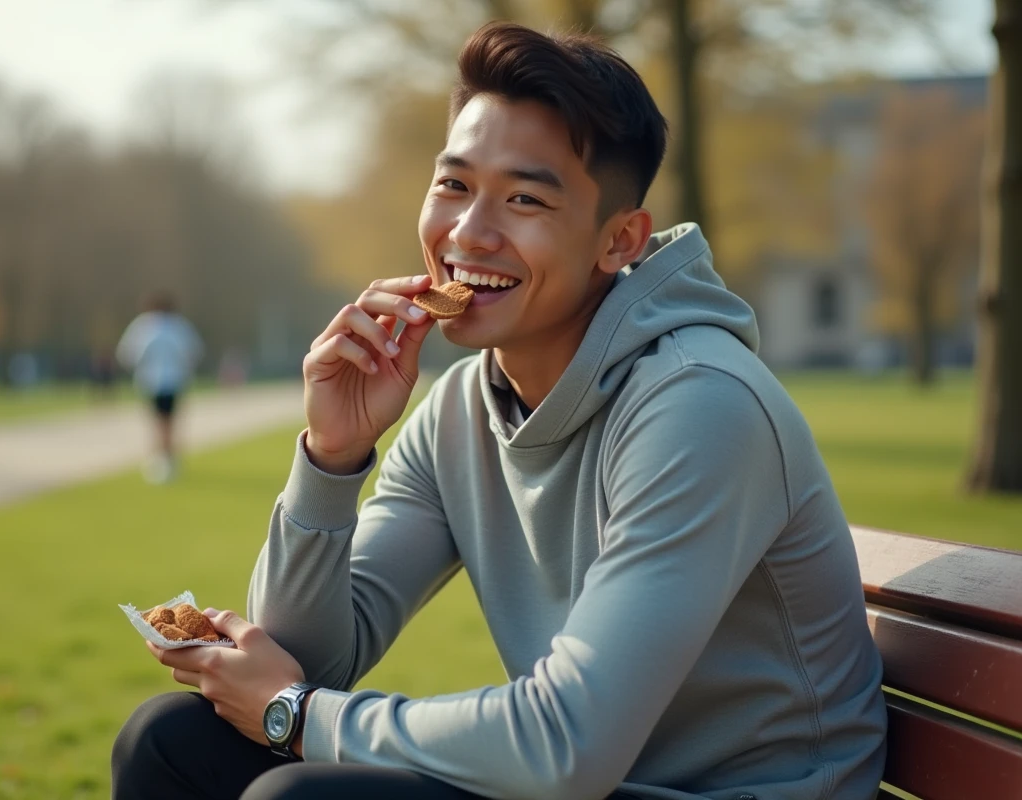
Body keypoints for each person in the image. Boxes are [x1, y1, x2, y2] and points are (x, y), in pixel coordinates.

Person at [113, 22, 886, 800]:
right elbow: (307, 658)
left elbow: (566, 746)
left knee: (298, 797)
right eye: (453, 185)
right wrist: (332, 454)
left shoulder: (701, 405)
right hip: (598, 780)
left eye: (523, 198)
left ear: (618, 241)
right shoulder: (460, 410)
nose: (467, 234)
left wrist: (295, 716)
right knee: (169, 744)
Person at [115, 292, 204, 484]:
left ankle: (162, 458)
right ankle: (166, 458)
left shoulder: (144, 326)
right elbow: (193, 352)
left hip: (152, 380)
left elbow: (128, 354)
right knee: (168, 422)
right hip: (172, 380)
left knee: (158, 422)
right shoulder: (178, 326)